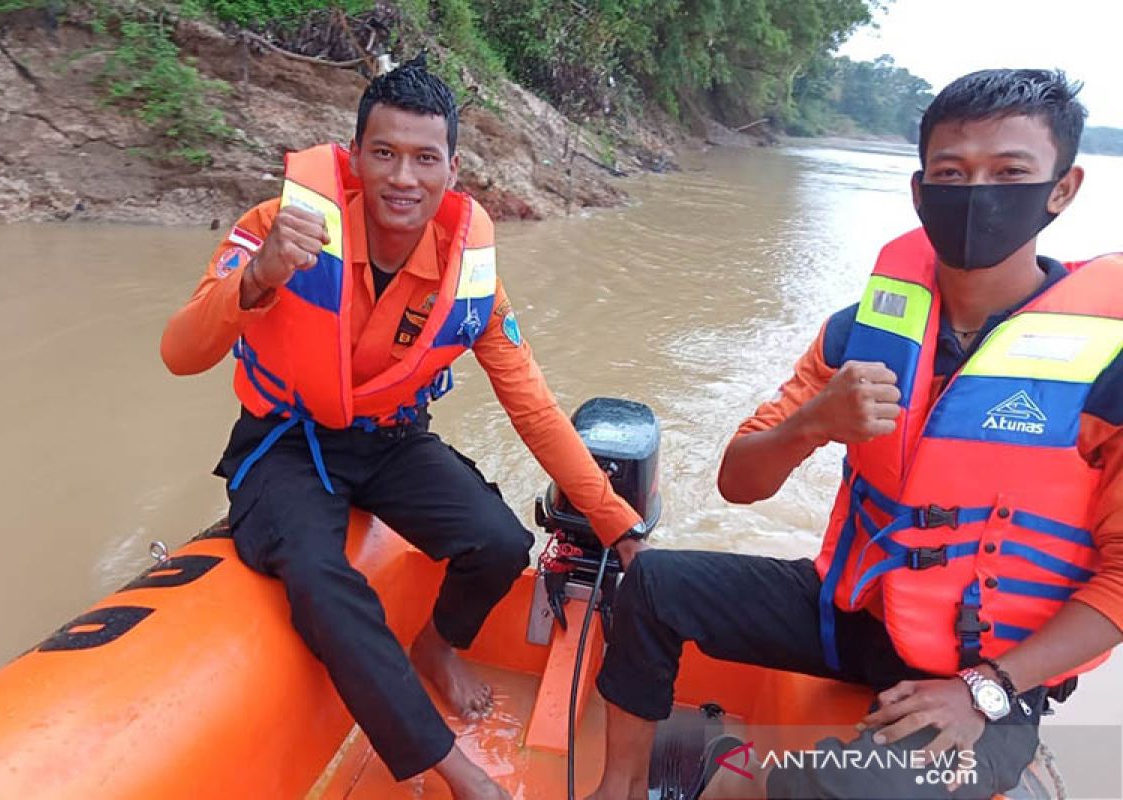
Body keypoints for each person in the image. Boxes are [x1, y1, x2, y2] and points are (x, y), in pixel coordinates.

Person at [586, 69, 1123, 800]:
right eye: (952, 173)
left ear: (1062, 188)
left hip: (989, 670)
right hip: (849, 614)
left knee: (846, 792)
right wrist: (814, 423)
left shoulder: (1108, 368)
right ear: (920, 190)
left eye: (1009, 172)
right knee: (651, 581)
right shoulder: (859, 333)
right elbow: (737, 483)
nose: (977, 194)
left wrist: (987, 689)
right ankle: (617, 788)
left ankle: (733, 782)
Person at [160, 57, 646, 800]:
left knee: (500, 542)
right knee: (323, 583)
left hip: (390, 440)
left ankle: (438, 646)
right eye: (384, 153)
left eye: (425, 158)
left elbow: (533, 406)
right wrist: (255, 279)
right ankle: (454, 771)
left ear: (453, 169)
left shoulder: (469, 275)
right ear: (354, 158)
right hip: (283, 442)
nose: (403, 178)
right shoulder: (276, 228)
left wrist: (619, 527)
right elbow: (179, 352)